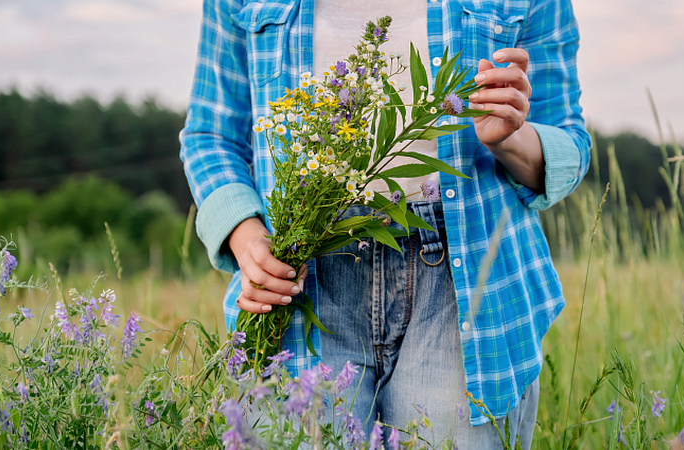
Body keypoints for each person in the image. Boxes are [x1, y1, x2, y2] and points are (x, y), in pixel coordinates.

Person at [180, 0, 590, 448]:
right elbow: (211, 137)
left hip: (464, 281)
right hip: (301, 275)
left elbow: (568, 139)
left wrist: (512, 136)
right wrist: (247, 237)